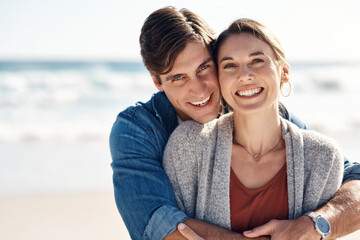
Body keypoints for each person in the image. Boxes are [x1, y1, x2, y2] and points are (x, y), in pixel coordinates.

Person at [109, 7, 360, 240]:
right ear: (158, 83)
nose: (198, 90)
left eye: (204, 68)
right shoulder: (137, 129)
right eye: (178, 78)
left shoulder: (250, 103)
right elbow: (157, 225)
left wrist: (315, 224)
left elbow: (350, 176)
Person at [162, 18, 347, 240]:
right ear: (219, 79)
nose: (244, 75)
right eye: (229, 65)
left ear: (284, 72)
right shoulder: (188, 145)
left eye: (257, 60)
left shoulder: (322, 158)